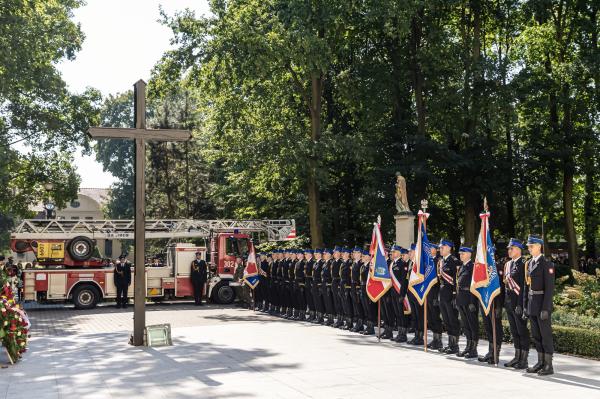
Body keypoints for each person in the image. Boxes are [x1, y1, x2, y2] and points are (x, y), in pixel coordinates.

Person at [524, 234, 555, 376]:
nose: (529, 248)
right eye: (528, 246)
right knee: (536, 335)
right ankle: (540, 362)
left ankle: (549, 365)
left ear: (539, 246)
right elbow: (527, 286)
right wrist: (526, 306)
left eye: (531, 246)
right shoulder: (529, 263)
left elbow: (549, 289)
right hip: (532, 304)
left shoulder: (546, 263)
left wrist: (546, 308)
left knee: (545, 336)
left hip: (542, 304)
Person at [503, 238, 530, 369]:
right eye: (508, 248)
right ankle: (517, 356)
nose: (509, 250)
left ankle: (524, 359)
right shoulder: (508, 264)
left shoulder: (524, 264)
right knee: (514, 331)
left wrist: (521, 304)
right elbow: (506, 286)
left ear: (518, 249)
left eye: (511, 248)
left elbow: (524, 287)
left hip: (518, 303)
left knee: (522, 331)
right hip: (509, 303)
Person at [437, 239, 461, 353]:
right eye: (440, 248)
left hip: (450, 296)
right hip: (442, 294)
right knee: (446, 320)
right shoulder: (441, 261)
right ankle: (450, 344)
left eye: (442, 247)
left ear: (448, 248)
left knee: (453, 320)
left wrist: (455, 296)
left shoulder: (454, 261)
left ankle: (455, 345)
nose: (440, 249)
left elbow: (456, 280)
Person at [456, 246, 478, 358]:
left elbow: (474, 286)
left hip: (469, 299)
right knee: (466, 325)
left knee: (472, 324)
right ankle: (468, 347)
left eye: (463, 253)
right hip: (461, 299)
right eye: (460, 254)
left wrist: (472, 302)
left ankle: (474, 349)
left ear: (469, 254)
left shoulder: (473, 267)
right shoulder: (462, 267)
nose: (461, 255)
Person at [407, 243, 425, 345]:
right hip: (411, 293)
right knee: (415, 316)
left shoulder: (419, 264)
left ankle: (420, 337)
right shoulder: (411, 263)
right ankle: (416, 336)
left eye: (411, 251)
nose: (409, 253)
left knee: (420, 316)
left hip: (418, 293)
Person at [350, 247, 365, 333]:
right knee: (356, 306)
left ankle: (360, 324)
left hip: (358, 287)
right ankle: (358, 323)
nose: (354, 254)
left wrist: (358, 287)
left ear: (360, 254)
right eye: (354, 252)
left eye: (356, 252)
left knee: (360, 307)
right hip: (353, 286)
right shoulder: (354, 263)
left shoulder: (360, 264)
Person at [339, 247, 354, 330]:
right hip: (342, 285)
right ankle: (347, 322)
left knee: (348, 305)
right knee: (344, 305)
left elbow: (350, 276)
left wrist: (347, 286)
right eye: (342, 253)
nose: (342, 254)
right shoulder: (343, 263)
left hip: (347, 286)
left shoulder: (350, 263)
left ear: (348, 254)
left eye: (344, 253)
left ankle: (350, 323)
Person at [331, 246, 344, 328]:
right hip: (334, 283)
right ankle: (338, 319)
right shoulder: (333, 262)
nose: (334, 254)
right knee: (336, 302)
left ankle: (341, 320)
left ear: (339, 253)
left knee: (340, 303)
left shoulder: (341, 262)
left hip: (339, 283)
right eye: (334, 252)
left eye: (336, 252)